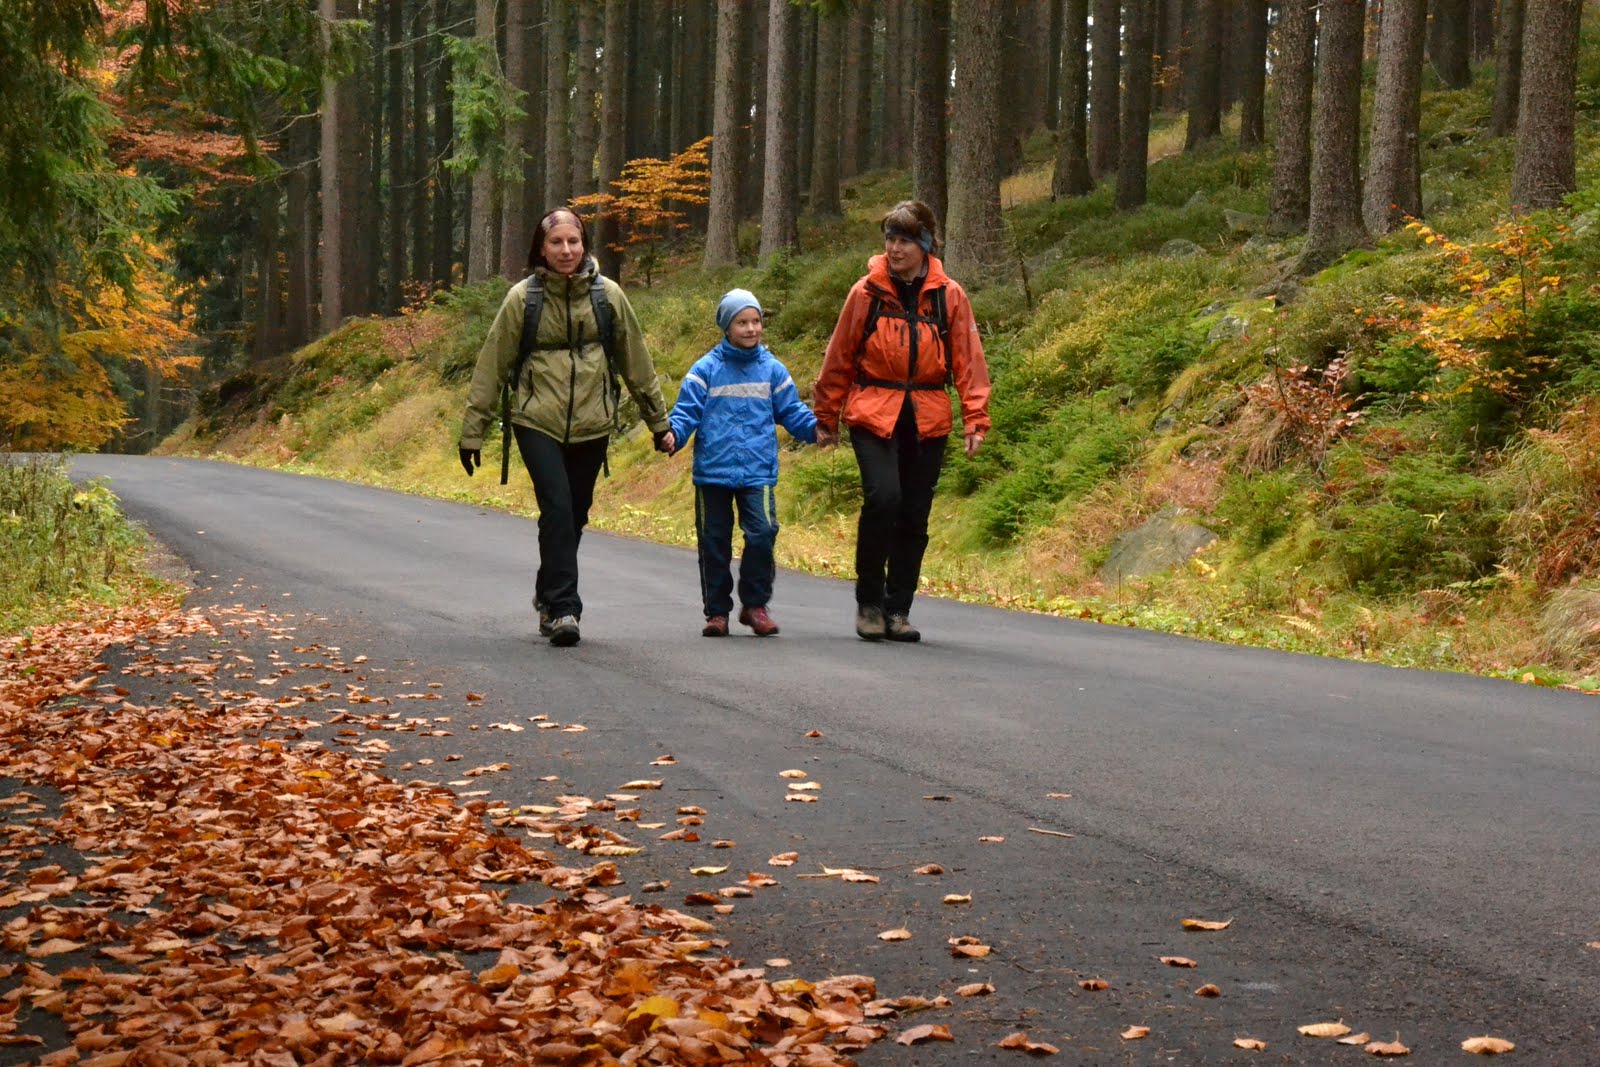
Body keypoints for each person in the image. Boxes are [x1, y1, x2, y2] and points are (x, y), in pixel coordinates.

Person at [457, 208, 674, 647]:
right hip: (536, 419)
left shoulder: (608, 296)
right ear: (541, 248)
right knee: (557, 507)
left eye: (573, 241)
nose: (566, 250)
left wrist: (658, 422)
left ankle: (547, 589)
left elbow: (636, 361)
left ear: (584, 244)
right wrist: (473, 431)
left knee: (575, 513)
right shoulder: (523, 299)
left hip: (593, 421)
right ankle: (563, 609)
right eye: (556, 242)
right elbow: (492, 365)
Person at [812, 200, 991, 643]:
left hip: (928, 418)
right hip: (873, 412)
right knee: (884, 498)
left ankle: (898, 609)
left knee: (914, 514)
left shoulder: (949, 296)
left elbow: (969, 361)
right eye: (890, 239)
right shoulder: (866, 293)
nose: (894, 248)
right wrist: (826, 416)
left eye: (905, 240)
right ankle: (870, 603)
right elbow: (840, 356)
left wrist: (975, 419)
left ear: (926, 244)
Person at [667, 289, 817, 637]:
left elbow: (792, 411)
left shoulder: (773, 370)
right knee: (714, 542)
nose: (751, 329)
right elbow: (686, 412)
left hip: (757, 471)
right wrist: (673, 435)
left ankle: (755, 605)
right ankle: (717, 613)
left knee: (762, 534)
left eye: (756, 321)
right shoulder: (705, 370)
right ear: (727, 327)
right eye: (742, 322)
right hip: (713, 472)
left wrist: (816, 430)